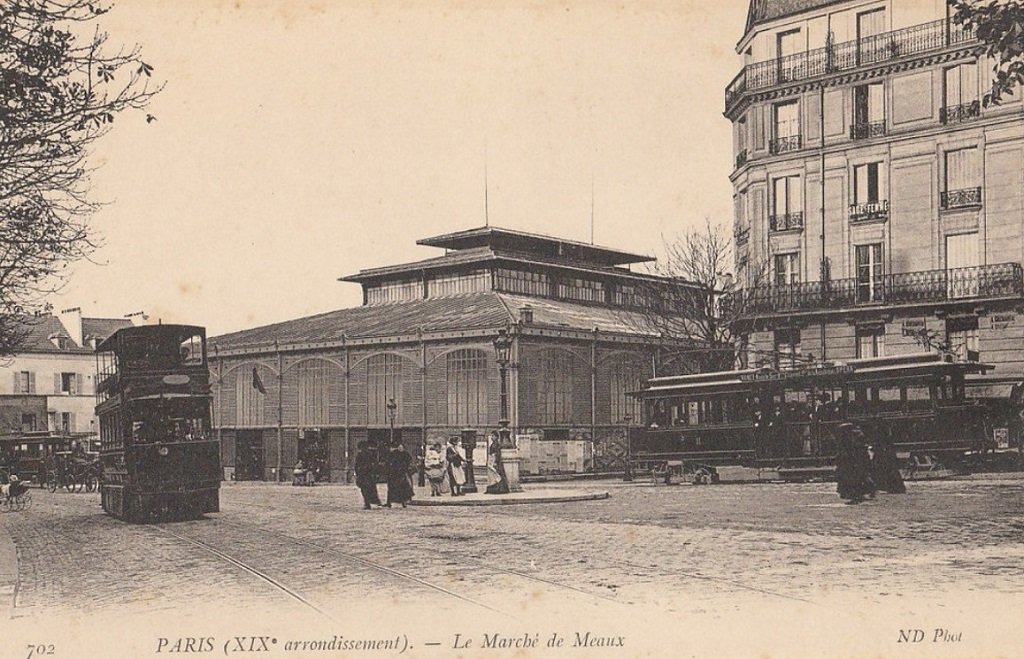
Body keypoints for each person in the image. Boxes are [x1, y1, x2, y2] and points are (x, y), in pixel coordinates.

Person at [835, 423, 875, 504]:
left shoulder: (851, 439)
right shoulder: (853, 438)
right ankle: (862, 492)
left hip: (852, 463)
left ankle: (857, 496)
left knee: (853, 479)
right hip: (851, 463)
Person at [384, 442, 414, 508]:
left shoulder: (405, 454)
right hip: (394, 474)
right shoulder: (393, 454)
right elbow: (388, 463)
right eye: (399, 447)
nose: (400, 448)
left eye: (401, 447)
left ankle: (403, 502)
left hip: (401, 474)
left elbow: (409, 462)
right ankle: (389, 502)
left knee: (402, 488)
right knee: (392, 488)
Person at [353, 441, 382, 509]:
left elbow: (356, 465)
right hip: (370, 474)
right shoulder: (371, 454)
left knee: (364, 490)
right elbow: (375, 464)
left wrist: (357, 473)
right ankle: (376, 502)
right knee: (372, 489)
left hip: (363, 474)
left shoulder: (359, 455)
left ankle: (367, 503)